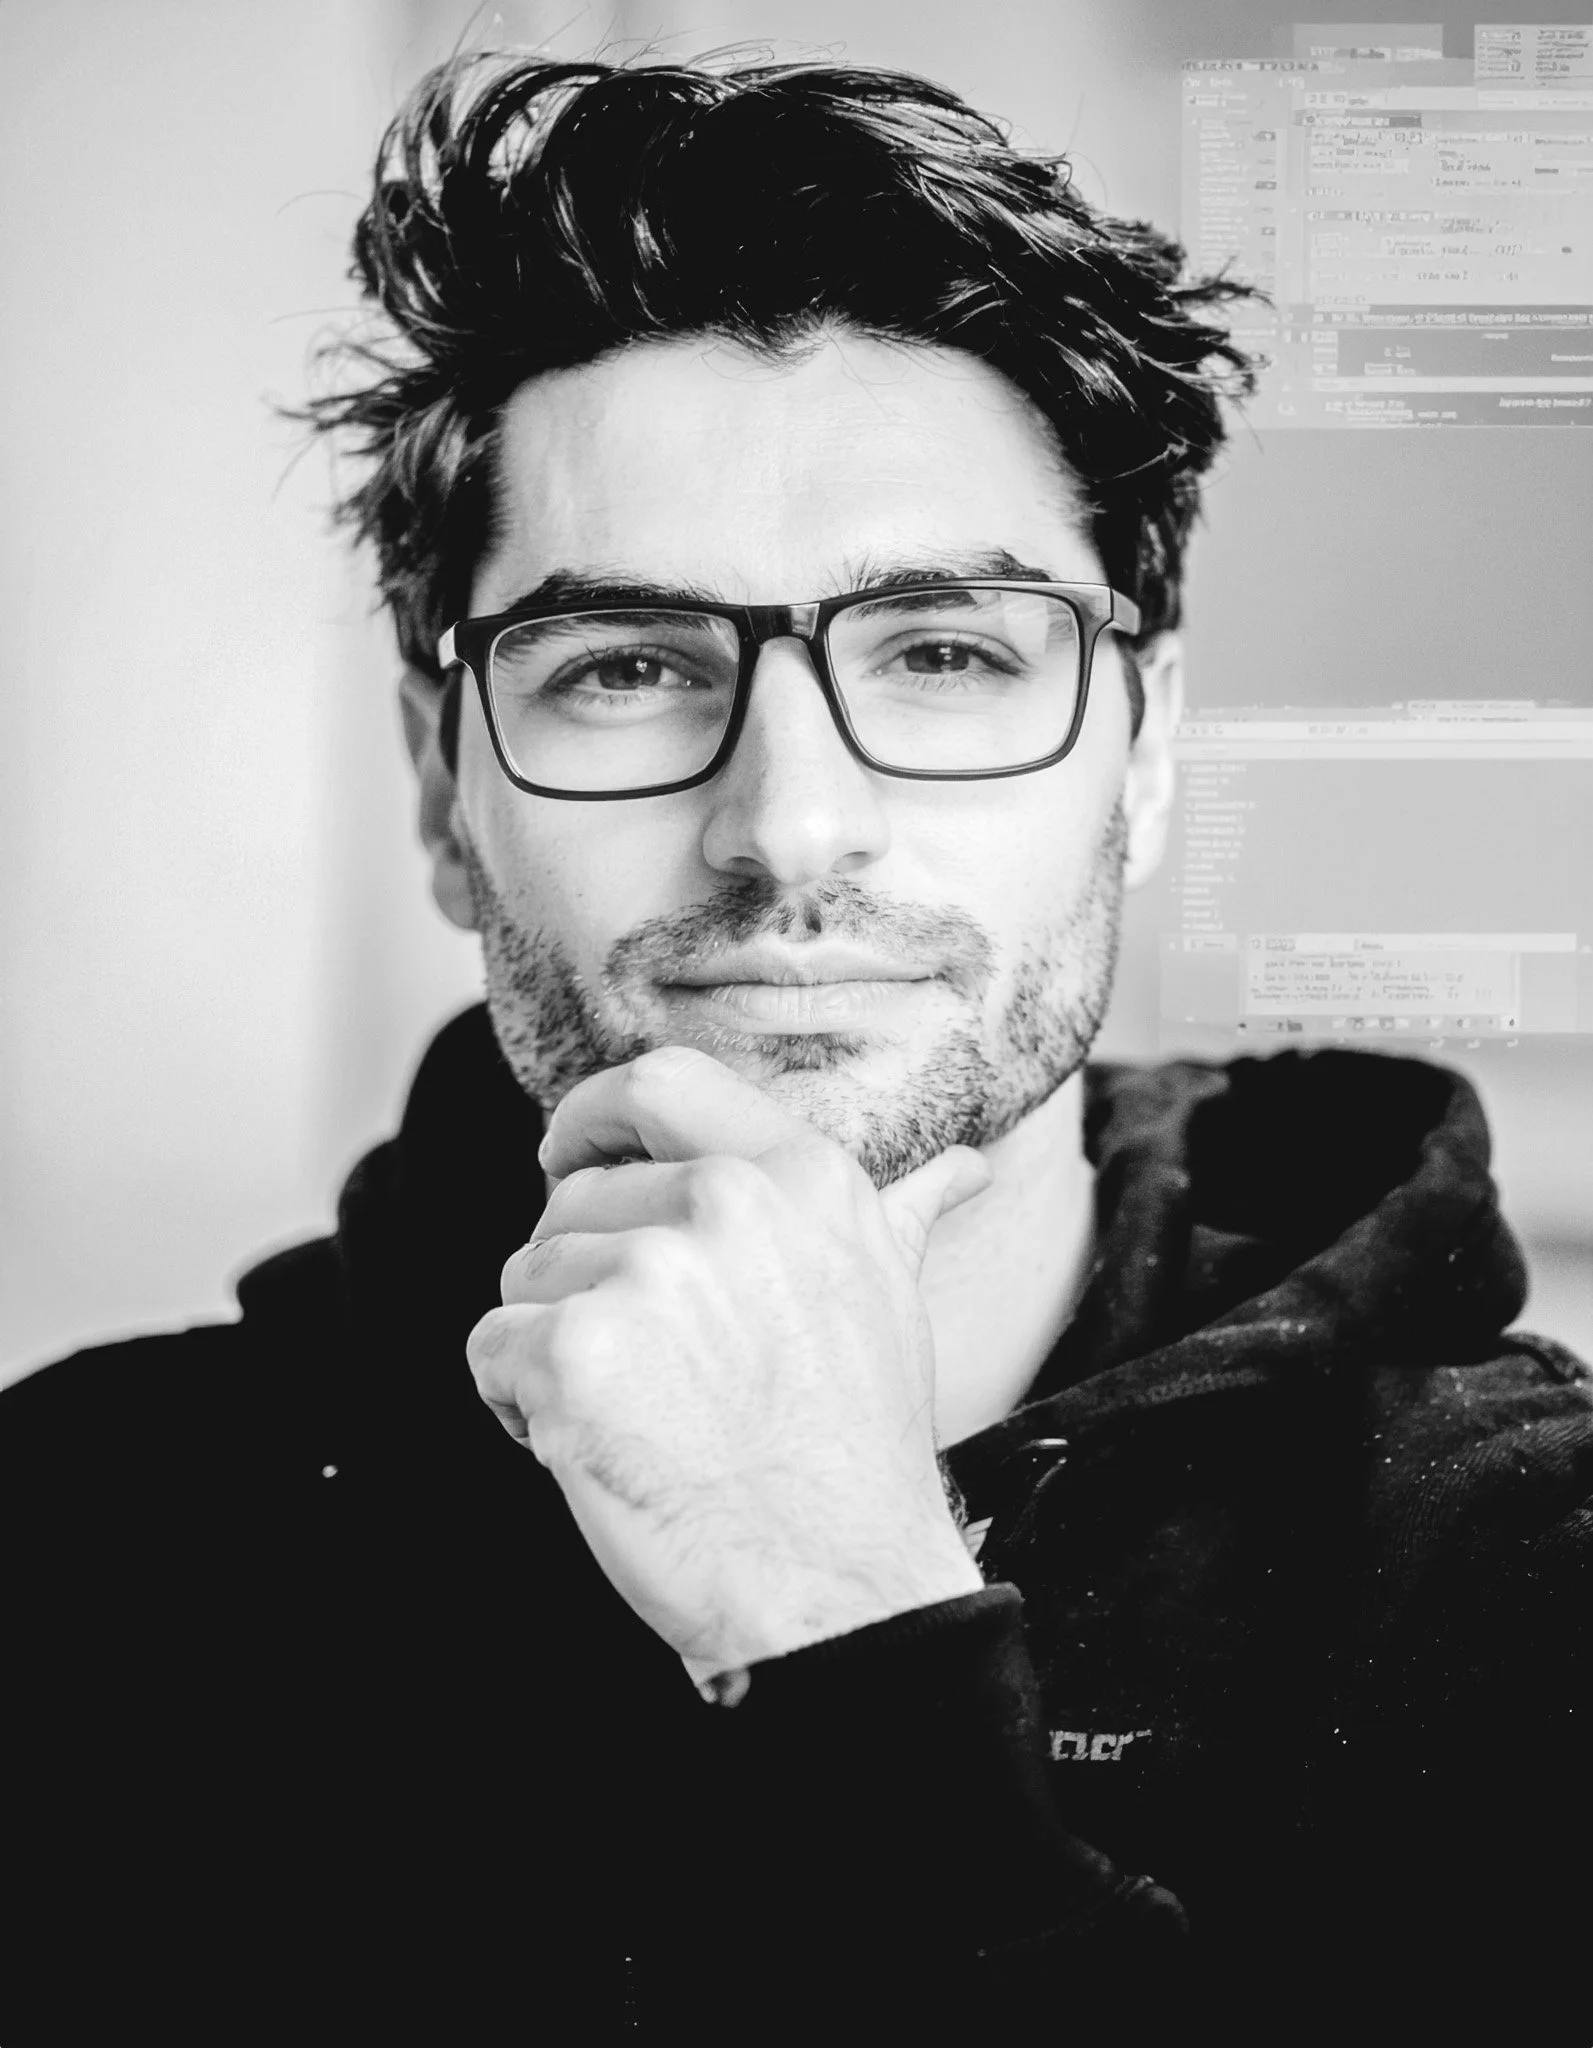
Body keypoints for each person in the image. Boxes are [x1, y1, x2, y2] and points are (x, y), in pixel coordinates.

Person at [3, 49, 1588, 2047]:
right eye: (627, 666)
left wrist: (848, 1637)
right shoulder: (75, 1548)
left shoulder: (1531, 1584)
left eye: (944, 653)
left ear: (1144, 756)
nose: (789, 824)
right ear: (438, 784)